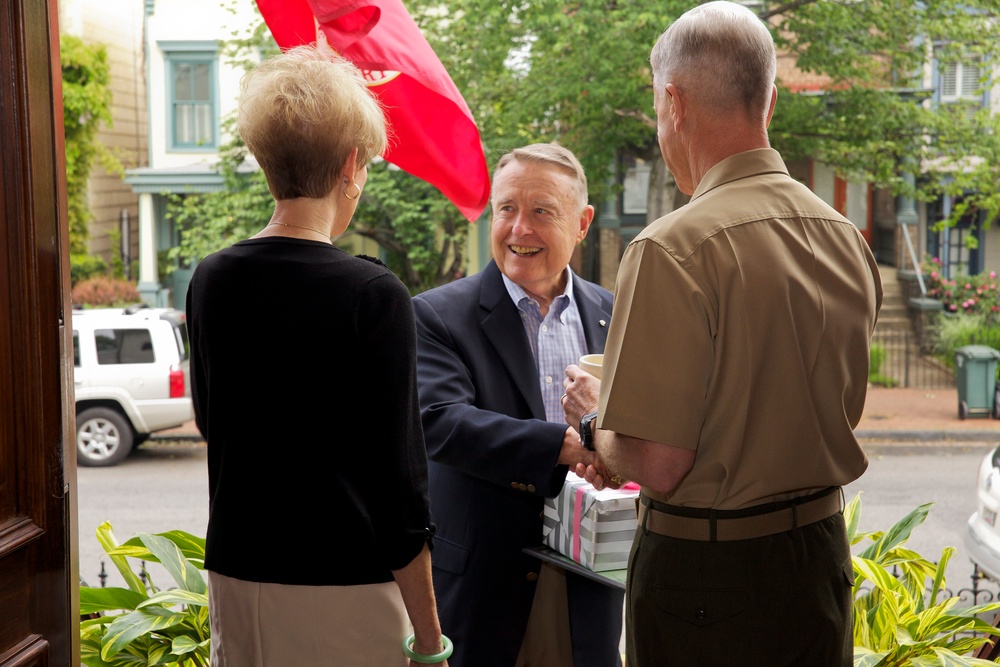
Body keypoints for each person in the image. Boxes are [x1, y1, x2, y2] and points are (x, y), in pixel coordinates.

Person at [562, 3, 883, 666]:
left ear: (674, 103)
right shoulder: (847, 238)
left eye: (657, 111)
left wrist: (596, 422)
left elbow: (660, 461)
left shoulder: (671, 248)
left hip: (709, 576)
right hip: (821, 559)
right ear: (768, 101)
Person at [185, 45, 450, 667]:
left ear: (266, 160)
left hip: (236, 572)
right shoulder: (372, 293)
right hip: (345, 587)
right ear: (352, 166)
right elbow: (400, 485)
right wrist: (431, 637)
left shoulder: (211, 278)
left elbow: (211, 424)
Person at [412, 143, 624, 667]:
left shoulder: (616, 315)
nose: (518, 229)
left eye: (541, 212)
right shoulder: (436, 315)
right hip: (486, 587)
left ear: (582, 223)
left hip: (589, 588)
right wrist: (569, 446)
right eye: (506, 208)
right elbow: (440, 422)